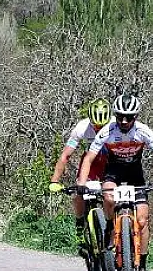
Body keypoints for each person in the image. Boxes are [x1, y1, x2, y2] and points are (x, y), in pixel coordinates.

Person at [76, 91, 153, 271]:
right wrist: (82, 183)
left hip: (135, 176)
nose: (124, 121)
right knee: (109, 199)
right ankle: (111, 225)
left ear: (136, 117)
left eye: (129, 117)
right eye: (120, 116)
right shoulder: (107, 131)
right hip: (114, 174)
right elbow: (89, 158)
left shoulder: (143, 131)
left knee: (143, 221)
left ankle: (143, 266)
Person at [48, 97, 112, 258]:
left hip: (111, 163)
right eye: (95, 125)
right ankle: (79, 227)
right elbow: (65, 156)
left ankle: (116, 232)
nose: (98, 129)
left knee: (112, 197)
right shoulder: (82, 127)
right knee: (78, 194)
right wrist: (55, 181)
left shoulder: (115, 125)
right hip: (91, 164)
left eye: (102, 126)